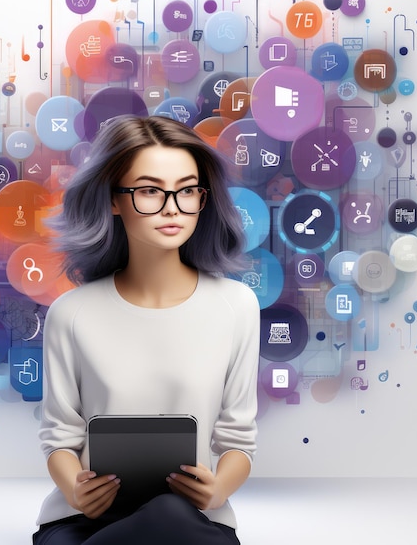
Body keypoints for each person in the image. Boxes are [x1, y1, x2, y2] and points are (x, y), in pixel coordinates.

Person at [33, 115, 260, 544]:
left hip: (193, 519)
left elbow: (238, 440)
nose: (173, 206)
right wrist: (76, 492)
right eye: (151, 190)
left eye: (188, 190)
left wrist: (218, 491)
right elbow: (60, 437)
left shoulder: (236, 306)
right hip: (84, 522)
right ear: (114, 200)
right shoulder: (72, 313)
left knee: (170, 514)